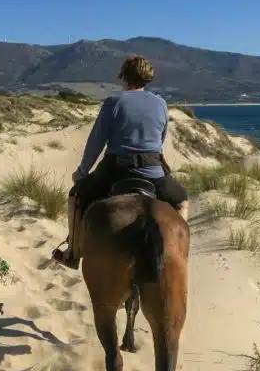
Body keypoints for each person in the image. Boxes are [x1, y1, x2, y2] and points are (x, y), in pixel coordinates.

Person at [51, 55, 189, 270]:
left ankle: (73, 252)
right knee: (182, 202)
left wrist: (82, 172)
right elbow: (160, 140)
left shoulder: (114, 102)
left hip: (116, 169)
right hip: (152, 169)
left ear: (124, 77)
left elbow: (96, 141)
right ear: (147, 79)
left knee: (75, 196)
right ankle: (179, 256)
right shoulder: (161, 104)